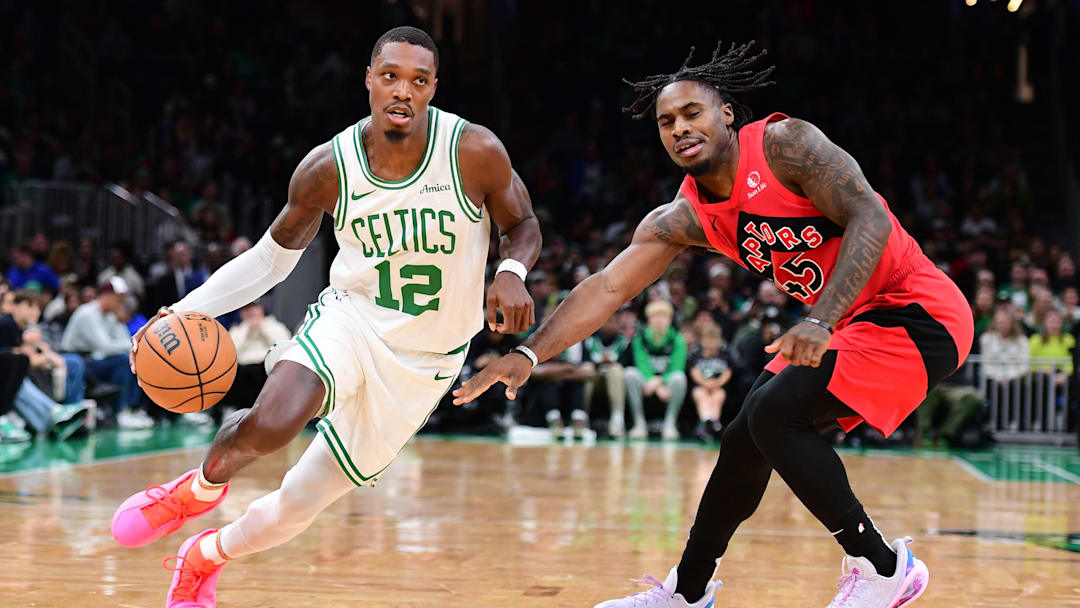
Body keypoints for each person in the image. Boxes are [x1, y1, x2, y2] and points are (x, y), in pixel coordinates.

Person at [456, 41, 972, 608]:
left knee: (775, 414)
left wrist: (820, 319)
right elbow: (608, 288)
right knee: (744, 437)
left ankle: (883, 567)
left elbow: (870, 215)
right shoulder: (683, 218)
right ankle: (688, 591)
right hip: (849, 323)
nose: (679, 128)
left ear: (726, 113)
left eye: (691, 113)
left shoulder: (786, 145)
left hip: (916, 309)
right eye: (666, 122)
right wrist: (527, 354)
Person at [112, 27, 541, 608]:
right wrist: (183, 310)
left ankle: (202, 557)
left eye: (418, 80)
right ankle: (198, 489)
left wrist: (511, 271)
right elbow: (270, 260)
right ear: (369, 79)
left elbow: (523, 224)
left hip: (427, 361)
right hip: (352, 320)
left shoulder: (473, 150)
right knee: (273, 421)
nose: (402, 90)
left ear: (433, 88)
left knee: (296, 505)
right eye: (390, 76)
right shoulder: (328, 166)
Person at [60, 277, 151, 429]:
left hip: (96, 360)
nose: (121, 302)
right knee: (123, 360)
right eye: (117, 298)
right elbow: (105, 346)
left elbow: (126, 340)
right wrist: (135, 344)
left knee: (135, 358)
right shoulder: (87, 313)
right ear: (106, 295)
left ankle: (133, 409)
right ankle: (121, 411)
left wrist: (134, 346)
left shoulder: (110, 315)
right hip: (79, 360)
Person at [626, 299, 688, 440]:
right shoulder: (640, 338)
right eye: (655, 316)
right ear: (648, 320)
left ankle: (670, 424)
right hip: (646, 382)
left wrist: (659, 382)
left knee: (679, 378)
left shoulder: (678, 339)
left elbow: (677, 367)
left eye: (663, 316)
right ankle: (639, 424)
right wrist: (651, 381)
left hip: (667, 383)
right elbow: (641, 365)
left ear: (670, 319)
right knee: (630, 373)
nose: (659, 320)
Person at [221, 300, 292, 419]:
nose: (251, 312)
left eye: (253, 308)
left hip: (265, 369)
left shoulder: (275, 326)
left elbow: (283, 347)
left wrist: (262, 329)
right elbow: (230, 352)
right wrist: (247, 331)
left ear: (261, 310)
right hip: (242, 371)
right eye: (246, 310)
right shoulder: (237, 330)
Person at [584, 313, 630, 437]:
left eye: (614, 321)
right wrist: (599, 362)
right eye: (607, 321)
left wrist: (610, 361)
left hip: (614, 381)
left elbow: (626, 363)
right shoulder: (590, 339)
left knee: (616, 370)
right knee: (586, 370)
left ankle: (617, 419)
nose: (610, 325)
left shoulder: (624, 341)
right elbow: (585, 360)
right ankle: (582, 417)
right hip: (595, 377)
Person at [688, 323, 734, 440]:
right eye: (708, 340)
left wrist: (717, 383)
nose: (711, 343)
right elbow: (694, 371)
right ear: (702, 341)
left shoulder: (725, 353)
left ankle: (714, 422)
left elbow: (727, 372)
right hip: (700, 386)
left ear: (720, 340)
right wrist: (705, 383)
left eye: (714, 340)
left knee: (718, 395)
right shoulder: (696, 354)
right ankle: (705, 421)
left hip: (718, 386)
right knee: (701, 395)